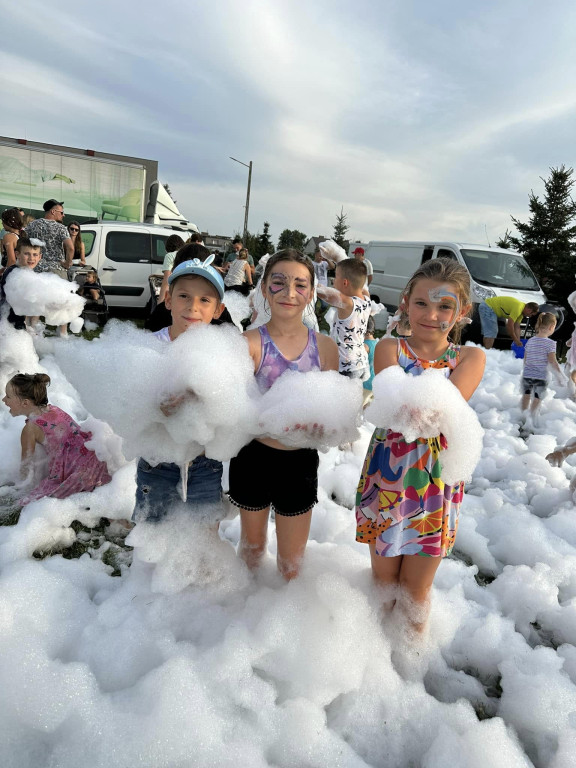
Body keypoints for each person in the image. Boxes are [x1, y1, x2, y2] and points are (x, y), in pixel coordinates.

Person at [355, 258, 485, 632]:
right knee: (383, 583)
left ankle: (408, 662)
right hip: (388, 482)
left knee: (416, 588)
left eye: (445, 305)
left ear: (462, 312)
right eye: (423, 303)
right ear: (405, 303)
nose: (432, 314)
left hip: (435, 487)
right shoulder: (388, 349)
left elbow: (441, 411)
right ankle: (376, 657)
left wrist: (425, 409)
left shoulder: (469, 357)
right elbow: (400, 408)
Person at [227, 249, 339, 580]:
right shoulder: (248, 344)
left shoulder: (325, 348)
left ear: (311, 293)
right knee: (252, 548)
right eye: (279, 282)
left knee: (292, 562)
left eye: (300, 285)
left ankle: (285, 617)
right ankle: (244, 609)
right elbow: (231, 409)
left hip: (299, 463)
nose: (289, 293)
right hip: (252, 458)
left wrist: (324, 427)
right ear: (264, 288)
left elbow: (333, 412)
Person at [133, 256, 226, 523]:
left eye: (204, 300)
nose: (193, 307)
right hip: (157, 460)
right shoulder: (149, 348)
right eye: (184, 296)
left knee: (204, 529)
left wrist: (208, 397)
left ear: (218, 310)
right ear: (169, 300)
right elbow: (129, 403)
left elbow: (232, 408)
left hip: (205, 461)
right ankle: (148, 565)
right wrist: (156, 408)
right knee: (152, 526)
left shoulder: (223, 354)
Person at [2, 373, 112, 505]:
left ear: (25, 403)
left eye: (8, 396)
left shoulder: (29, 429)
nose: (4, 400)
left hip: (78, 474)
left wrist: (20, 489)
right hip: (96, 459)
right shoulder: (55, 410)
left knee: (29, 502)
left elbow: (27, 467)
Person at [317, 258, 372, 380]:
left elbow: (323, 293)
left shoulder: (347, 303)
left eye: (335, 277)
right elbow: (361, 284)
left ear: (345, 283)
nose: (333, 281)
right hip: (360, 362)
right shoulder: (367, 299)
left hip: (346, 366)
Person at [521, 312, 564, 427]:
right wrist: (560, 375)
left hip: (527, 374)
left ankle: (523, 416)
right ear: (551, 327)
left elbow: (525, 359)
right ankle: (532, 418)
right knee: (537, 397)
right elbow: (552, 361)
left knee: (526, 395)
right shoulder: (550, 343)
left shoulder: (530, 341)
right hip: (541, 376)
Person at [0, 236, 44, 330]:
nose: (31, 258)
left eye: (35, 254)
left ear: (40, 257)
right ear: (17, 254)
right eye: (27, 254)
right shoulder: (14, 273)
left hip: (15, 321)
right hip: (8, 322)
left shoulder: (25, 272)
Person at [24, 199, 74, 277]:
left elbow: (22, 242)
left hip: (36, 270)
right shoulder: (61, 228)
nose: (63, 215)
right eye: (61, 212)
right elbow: (71, 248)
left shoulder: (32, 225)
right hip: (55, 271)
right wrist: (67, 264)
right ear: (53, 212)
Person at [158, 234, 186, 303]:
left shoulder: (170, 256)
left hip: (175, 290)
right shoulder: (186, 255)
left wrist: (160, 301)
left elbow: (166, 280)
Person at [362, 316, 377, 407]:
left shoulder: (364, 346)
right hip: (374, 383)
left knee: (360, 409)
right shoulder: (377, 343)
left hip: (365, 384)